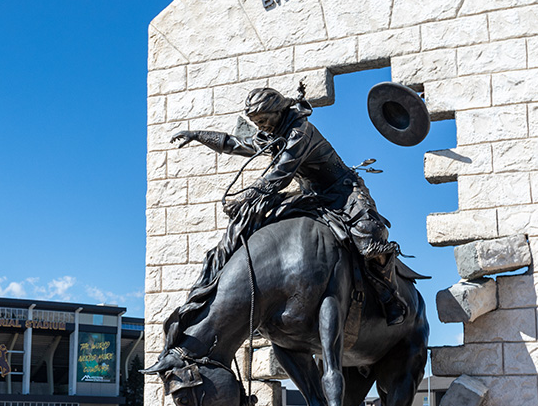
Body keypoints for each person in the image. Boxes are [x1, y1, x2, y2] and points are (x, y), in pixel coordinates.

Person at [171, 86, 408, 325]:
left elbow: (281, 174)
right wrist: (198, 135)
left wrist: (245, 197)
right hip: (311, 194)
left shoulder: (299, 132)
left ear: (279, 111)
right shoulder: (273, 133)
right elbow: (237, 144)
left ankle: (390, 297)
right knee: (261, 224)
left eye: (263, 120)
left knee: (369, 235)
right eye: (256, 122)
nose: (260, 126)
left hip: (343, 192)